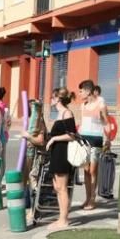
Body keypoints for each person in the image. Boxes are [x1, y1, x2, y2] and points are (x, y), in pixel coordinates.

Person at [45, 87, 77, 230]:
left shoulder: (66, 113)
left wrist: (54, 139)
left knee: (62, 187)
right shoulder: (59, 114)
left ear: (58, 98)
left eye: (52, 97)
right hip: (56, 153)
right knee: (57, 187)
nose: (50, 100)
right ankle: (61, 217)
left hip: (62, 153)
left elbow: (72, 135)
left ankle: (64, 219)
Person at [77, 79, 108, 210]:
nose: (80, 93)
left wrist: (108, 139)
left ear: (88, 91)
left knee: (93, 170)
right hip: (84, 139)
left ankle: (93, 199)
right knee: (85, 170)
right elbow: (82, 123)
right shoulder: (83, 105)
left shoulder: (100, 104)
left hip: (96, 139)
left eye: (81, 91)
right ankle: (87, 198)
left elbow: (106, 122)